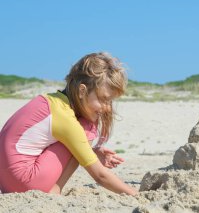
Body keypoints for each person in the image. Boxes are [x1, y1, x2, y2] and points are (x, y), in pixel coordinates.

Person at [0, 52, 138, 195]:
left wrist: (90, 151)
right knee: (86, 127)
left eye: (110, 101)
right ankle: (55, 190)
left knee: (77, 136)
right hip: (26, 182)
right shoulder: (66, 119)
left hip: (5, 184)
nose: (108, 107)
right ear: (82, 91)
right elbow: (100, 176)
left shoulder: (50, 102)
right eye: (103, 99)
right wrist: (136, 194)